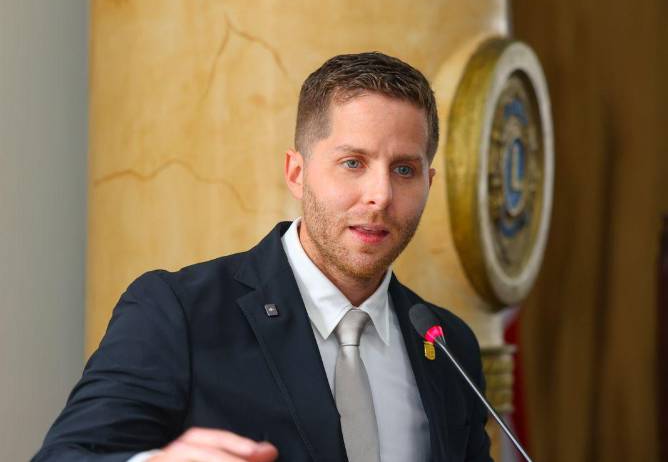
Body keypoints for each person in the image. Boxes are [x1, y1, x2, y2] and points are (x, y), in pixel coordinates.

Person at [33, 52, 492, 462]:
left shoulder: (448, 343)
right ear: (297, 173)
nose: (381, 195)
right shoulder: (176, 311)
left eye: (405, 170)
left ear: (429, 182)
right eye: (353, 163)